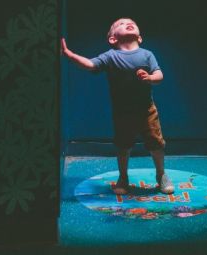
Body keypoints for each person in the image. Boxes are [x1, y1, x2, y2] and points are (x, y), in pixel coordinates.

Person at [61, 17, 174, 195]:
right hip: (122, 113)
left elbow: (159, 74)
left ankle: (161, 174)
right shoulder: (110, 56)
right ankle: (123, 177)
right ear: (113, 39)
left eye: (132, 23)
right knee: (123, 145)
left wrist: (151, 78)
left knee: (156, 143)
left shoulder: (147, 54)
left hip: (147, 110)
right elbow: (90, 65)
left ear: (140, 37)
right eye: (120, 24)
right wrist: (70, 55)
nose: (128, 24)